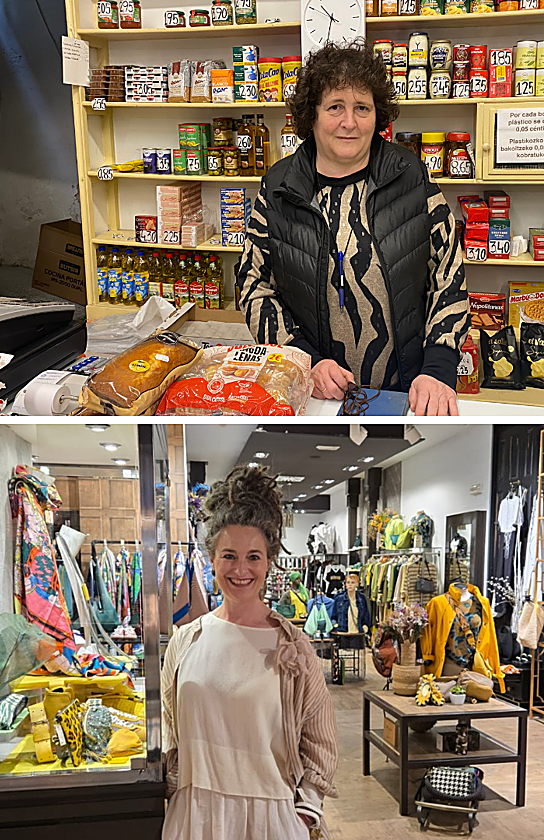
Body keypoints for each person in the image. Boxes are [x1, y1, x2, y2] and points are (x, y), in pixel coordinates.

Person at [237, 41, 469, 417]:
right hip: (317, 395)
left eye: (362, 108)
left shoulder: (410, 176)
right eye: (335, 107)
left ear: (378, 115)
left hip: (411, 391)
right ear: (310, 116)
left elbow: (449, 276)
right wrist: (305, 360)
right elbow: (253, 287)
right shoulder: (278, 187)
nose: (350, 122)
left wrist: (438, 368)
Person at [161, 467, 337, 839]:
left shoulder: (294, 648)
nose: (241, 569)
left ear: (269, 561)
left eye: (253, 557)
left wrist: (304, 814)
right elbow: (169, 730)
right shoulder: (185, 642)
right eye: (229, 555)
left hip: (271, 821)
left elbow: (320, 742)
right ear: (211, 559)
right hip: (195, 817)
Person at [330, 572, 372, 650]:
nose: (350, 585)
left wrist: (366, 627)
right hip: (342, 633)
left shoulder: (362, 598)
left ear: (357, 584)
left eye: (353, 583)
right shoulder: (339, 598)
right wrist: (335, 625)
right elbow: (334, 616)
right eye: (348, 582)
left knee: (357, 659)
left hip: (357, 633)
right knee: (343, 657)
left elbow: (366, 615)